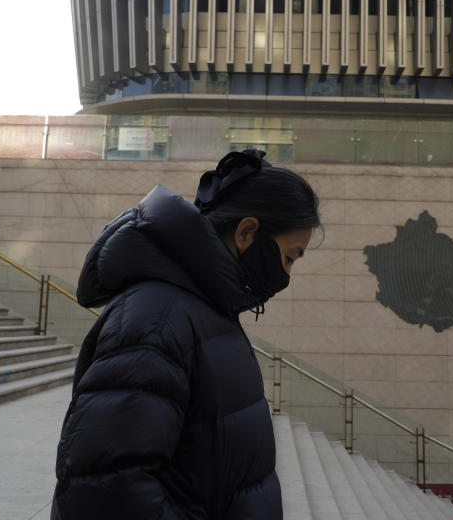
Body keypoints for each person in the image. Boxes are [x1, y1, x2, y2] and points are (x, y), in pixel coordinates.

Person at [51, 150, 320, 519]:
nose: (286, 274)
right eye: (290, 257)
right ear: (247, 233)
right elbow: (109, 489)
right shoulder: (157, 319)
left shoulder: (203, 307)